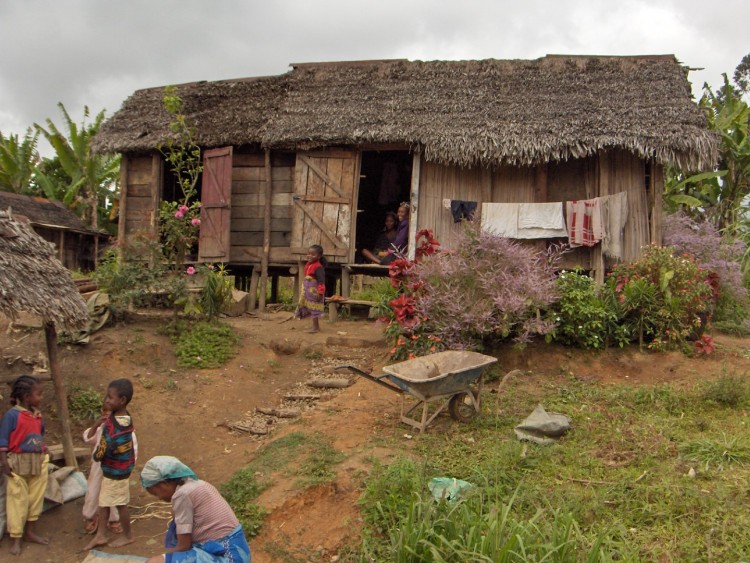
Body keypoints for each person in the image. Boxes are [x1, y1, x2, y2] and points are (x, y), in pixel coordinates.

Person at [140, 456, 251, 563]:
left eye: (155, 493)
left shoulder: (182, 495)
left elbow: (184, 546)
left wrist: (166, 555)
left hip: (228, 557)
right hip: (240, 552)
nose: (158, 498)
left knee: (154, 562)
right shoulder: (200, 484)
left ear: (164, 484)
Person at [0, 375, 50, 556]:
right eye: (39, 394)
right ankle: (16, 537)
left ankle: (29, 532)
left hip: (37, 463)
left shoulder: (38, 416)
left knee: (35, 499)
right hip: (17, 465)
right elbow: (3, 440)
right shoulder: (12, 415)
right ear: (27, 397)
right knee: (17, 501)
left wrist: (44, 450)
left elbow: (39, 435)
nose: (41, 397)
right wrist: (4, 462)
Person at [84, 378, 135, 550]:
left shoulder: (119, 425)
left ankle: (128, 536)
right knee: (104, 501)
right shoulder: (117, 418)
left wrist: (98, 456)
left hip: (117, 471)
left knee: (120, 504)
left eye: (110, 397)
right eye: (106, 396)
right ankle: (101, 535)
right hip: (112, 469)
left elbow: (108, 446)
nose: (106, 400)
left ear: (122, 400)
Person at [82, 406, 139, 535]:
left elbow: (133, 452)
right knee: (93, 491)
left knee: (114, 494)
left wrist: (126, 468)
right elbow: (88, 438)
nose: (107, 417)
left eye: (110, 414)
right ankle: (90, 516)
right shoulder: (101, 429)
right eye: (104, 413)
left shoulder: (128, 432)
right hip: (98, 468)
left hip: (116, 470)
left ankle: (113, 520)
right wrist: (97, 424)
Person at [295, 244, 326, 333]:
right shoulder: (309, 264)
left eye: (313, 254)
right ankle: (314, 327)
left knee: (314, 308)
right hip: (308, 290)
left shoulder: (318, 267)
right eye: (308, 253)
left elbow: (321, 281)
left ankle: (316, 328)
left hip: (315, 291)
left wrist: (320, 292)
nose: (309, 256)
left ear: (319, 256)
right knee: (310, 306)